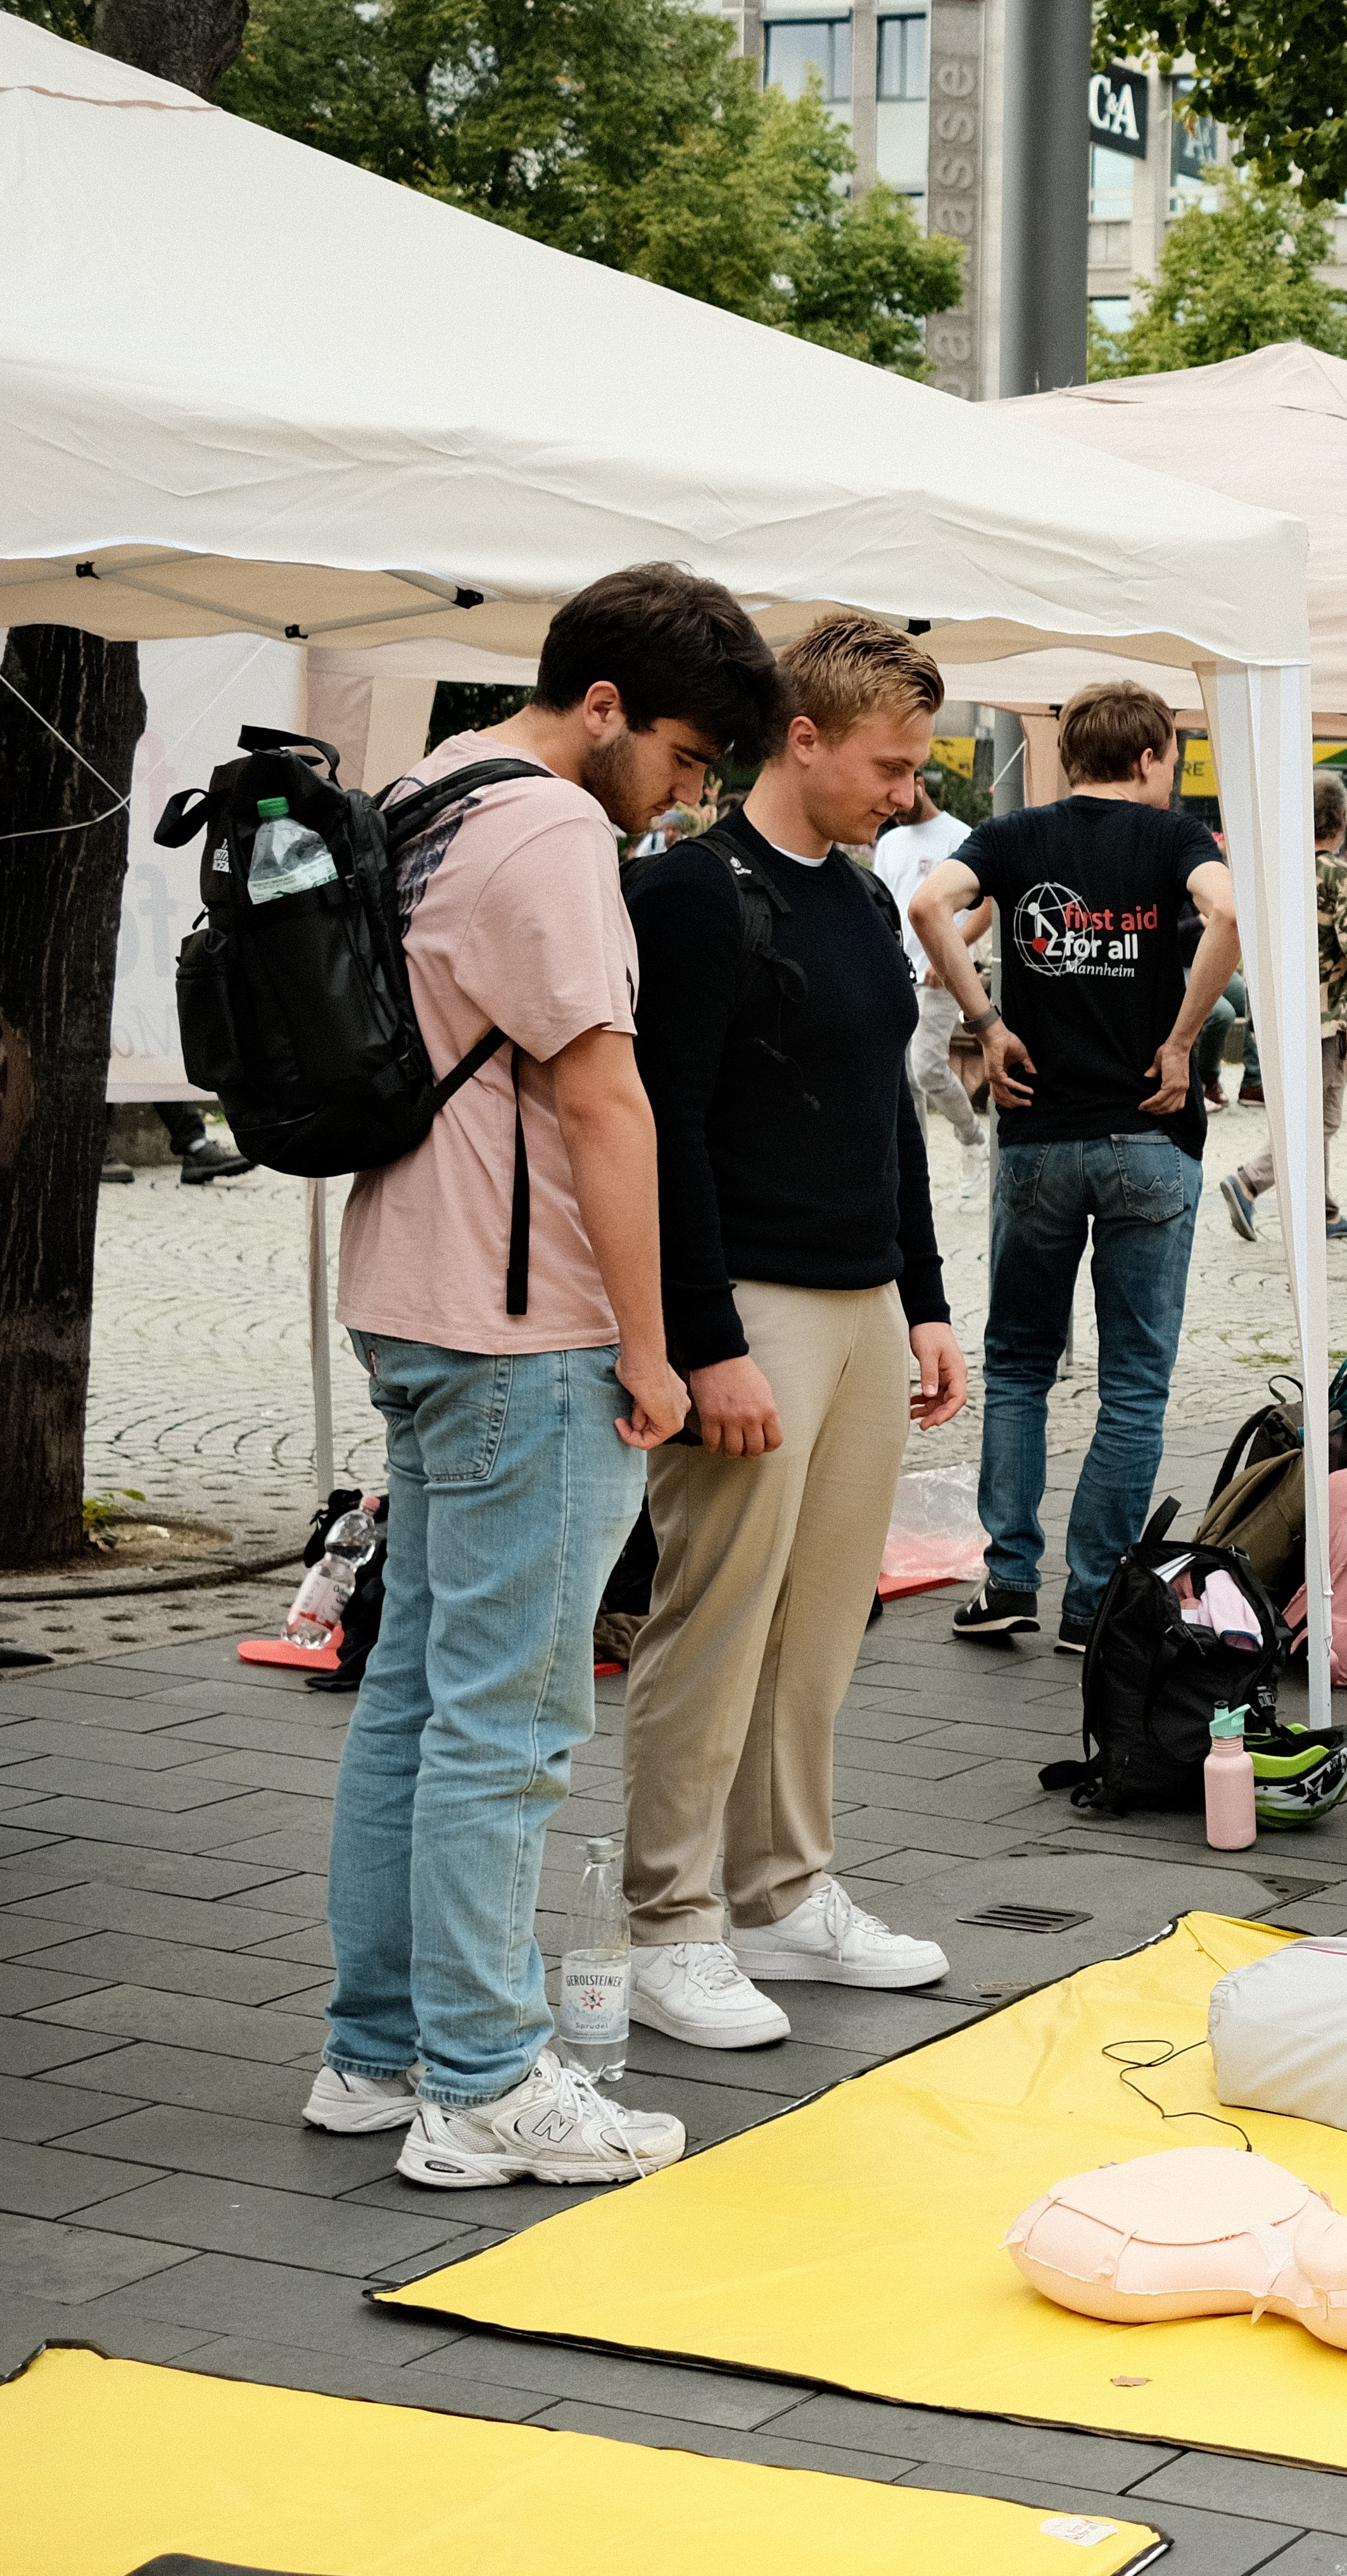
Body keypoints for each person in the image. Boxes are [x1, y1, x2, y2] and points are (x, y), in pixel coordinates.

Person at [315, 562, 778, 2189]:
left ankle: (377, 2053)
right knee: (508, 1725)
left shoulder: (429, 788)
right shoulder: (557, 832)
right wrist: (651, 1349)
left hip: (410, 1291)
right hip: (523, 1324)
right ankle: (486, 2080)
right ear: (603, 707)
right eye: (684, 756)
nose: (688, 795)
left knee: (418, 1694)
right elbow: (603, 1103)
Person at [616, 615, 967, 2049]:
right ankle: (668, 1920)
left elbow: (889, 1106)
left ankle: (784, 1887)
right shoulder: (693, 894)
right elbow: (661, 1131)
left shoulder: (868, 903)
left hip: (862, 1296)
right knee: (712, 1620)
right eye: (891, 766)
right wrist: (704, 1341)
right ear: (802, 737)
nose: (911, 794)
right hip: (750, 1304)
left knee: (821, 1626)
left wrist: (926, 1297)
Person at [904, 679, 1240, 1653]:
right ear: (1148, 760)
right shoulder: (1175, 842)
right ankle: (1091, 1604)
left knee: (1017, 1362)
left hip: (1041, 1135)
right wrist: (1181, 1043)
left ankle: (1009, 1578)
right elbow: (1228, 918)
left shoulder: (1019, 836)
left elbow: (931, 908)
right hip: (1149, 1138)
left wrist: (988, 1022)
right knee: (1135, 1383)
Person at [1220, 776, 1347, 1247]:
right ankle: (1249, 1180)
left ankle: (1322, 1212)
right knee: (1315, 1120)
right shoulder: (1336, 874)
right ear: (1341, 820)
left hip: (1277, 1011)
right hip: (1320, 1017)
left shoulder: (1277, 868)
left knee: (1312, 1111)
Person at [870, 786, 987, 1188]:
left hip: (942, 974)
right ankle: (913, 1172)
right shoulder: (889, 842)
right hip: (897, 974)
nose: (896, 805)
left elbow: (987, 907)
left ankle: (973, 1139)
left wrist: (949, 952)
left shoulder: (959, 836)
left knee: (927, 1067)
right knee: (905, 1079)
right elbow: (881, 905)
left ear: (918, 784)